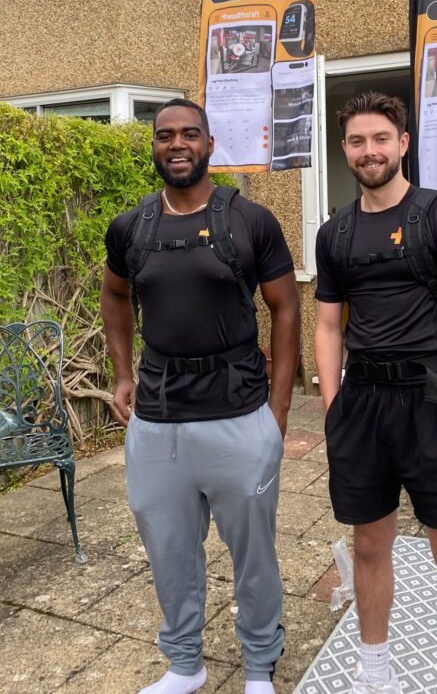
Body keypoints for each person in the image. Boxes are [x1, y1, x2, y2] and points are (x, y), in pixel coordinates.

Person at [101, 98, 300, 694]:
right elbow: (114, 296)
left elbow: (286, 308)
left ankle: (259, 665)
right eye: (165, 136)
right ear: (154, 146)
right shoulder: (131, 227)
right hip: (157, 422)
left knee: (253, 555)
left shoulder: (250, 221)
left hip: (238, 414)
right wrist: (122, 374)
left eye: (190, 134)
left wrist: (279, 409)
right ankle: (185, 665)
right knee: (169, 553)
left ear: (210, 144)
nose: (177, 144)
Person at [314, 92, 437, 694]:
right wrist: (334, 409)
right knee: (368, 546)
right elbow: (328, 326)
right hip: (362, 406)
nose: (370, 151)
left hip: (430, 404)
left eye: (381, 139)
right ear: (345, 149)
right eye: (357, 141)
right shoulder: (334, 233)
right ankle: (375, 673)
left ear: (403, 143)